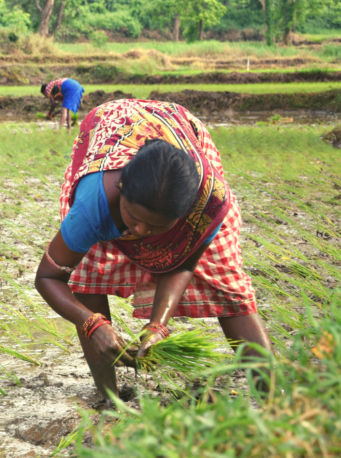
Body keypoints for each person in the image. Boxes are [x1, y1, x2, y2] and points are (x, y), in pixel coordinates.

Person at [35, 98, 271, 400]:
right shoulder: (94, 203)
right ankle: (110, 399)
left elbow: (183, 264)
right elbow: (49, 277)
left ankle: (271, 401)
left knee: (229, 287)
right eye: (134, 218)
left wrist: (158, 325)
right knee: (88, 275)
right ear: (121, 192)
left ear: (186, 213)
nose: (142, 232)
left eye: (157, 227)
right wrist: (91, 323)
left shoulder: (208, 202)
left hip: (179, 130)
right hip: (108, 129)